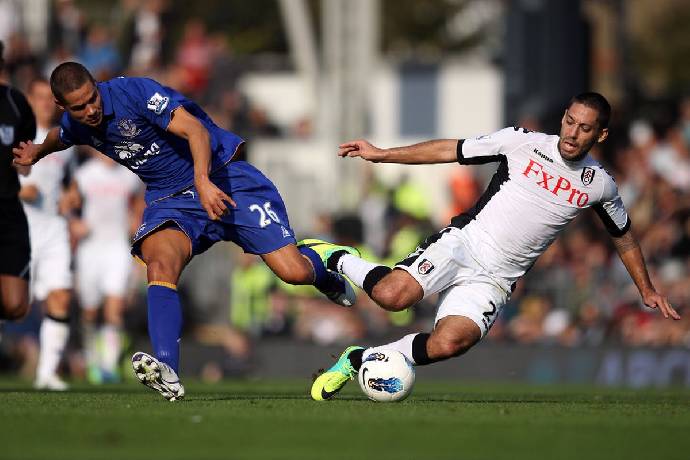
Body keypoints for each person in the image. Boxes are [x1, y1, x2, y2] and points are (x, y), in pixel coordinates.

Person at [12, 62, 357, 401]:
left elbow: (196, 131)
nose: (89, 110)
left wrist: (203, 181)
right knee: (159, 265)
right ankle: (167, 370)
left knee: (293, 272)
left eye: (92, 99)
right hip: (170, 199)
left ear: (95, 86)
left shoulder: (135, 92)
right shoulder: (77, 122)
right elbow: (62, 136)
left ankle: (324, 268)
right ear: (62, 106)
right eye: (78, 106)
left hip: (223, 176)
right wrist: (38, 151)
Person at [307, 92, 681, 401]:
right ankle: (337, 257)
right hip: (464, 243)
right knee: (392, 296)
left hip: (498, 278)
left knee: (451, 342)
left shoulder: (599, 184)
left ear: (599, 135)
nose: (572, 133)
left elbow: (624, 236)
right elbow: (450, 150)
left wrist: (646, 289)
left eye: (585, 128)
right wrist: (384, 154)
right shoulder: (522, 143)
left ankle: (360, 359)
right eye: (569, 121)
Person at [18, 78, 76, 391]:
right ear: (29, 99)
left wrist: (72, 196)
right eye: (38, 97)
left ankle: (48, 373)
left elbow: (71, 181)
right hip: (19, 228)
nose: (43, 103)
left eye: (48, 99)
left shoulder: (63, 141)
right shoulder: (14, 135)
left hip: (54, 229)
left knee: (61, 296)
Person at [67, 150, 142, 383]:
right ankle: (92, 360)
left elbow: (140, 201)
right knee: (90, 311)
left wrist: (136, 222)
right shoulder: (85, 174)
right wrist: (73, 223)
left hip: (117, 248)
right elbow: (67, 202)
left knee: (114, 308)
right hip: (90, 249)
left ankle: (108, 367)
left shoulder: (128, 174)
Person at [0, 40, 35, 321]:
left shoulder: (16, 103)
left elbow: (25, 157)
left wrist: (25, 164)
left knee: (15, 305)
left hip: (8, 209)